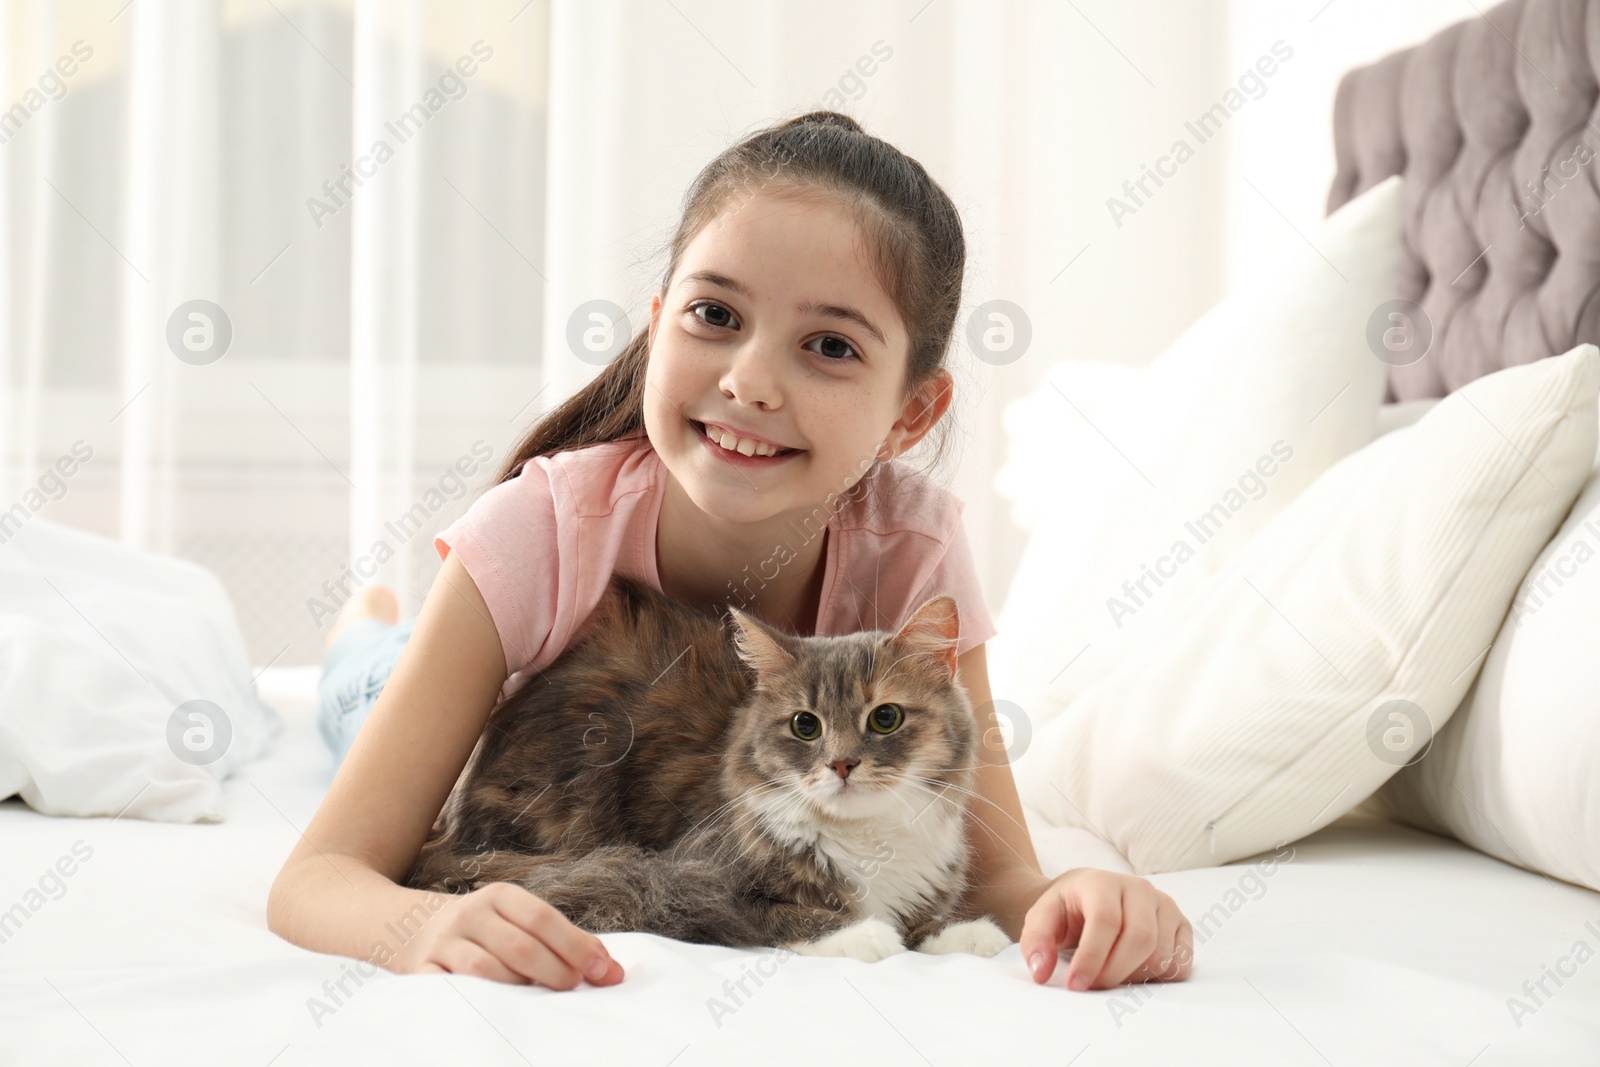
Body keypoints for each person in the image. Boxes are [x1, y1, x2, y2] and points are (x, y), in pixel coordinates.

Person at [268, 110, 1194, 993]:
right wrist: (420, 926)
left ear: (910, 413)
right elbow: (320, 877)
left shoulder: (914, 549)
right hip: (463, 712)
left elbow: (999, 878)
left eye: (828, 345)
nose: (750, 381)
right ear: (658, 320)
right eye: (716, 316)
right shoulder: (536, 529)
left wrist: (1080, 902)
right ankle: (364, 629)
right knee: (365, 687)